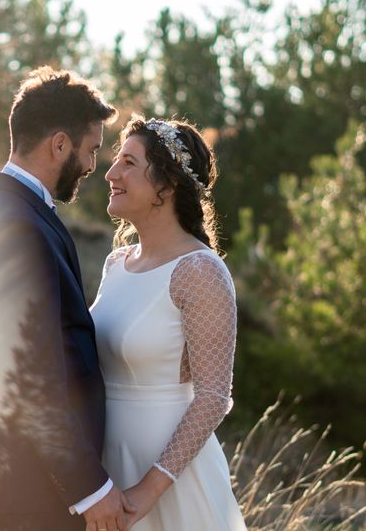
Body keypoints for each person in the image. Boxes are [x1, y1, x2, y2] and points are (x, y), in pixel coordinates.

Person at [0, 66, 135, 531]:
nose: (93, 167)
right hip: (42, 493)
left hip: (32, 484)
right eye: (91, 151)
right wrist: (89, 487)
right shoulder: (15, 222)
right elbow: (30, 373)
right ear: (59, 144)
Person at [90, 116, 248, 530]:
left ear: (168, 183)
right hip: (107, 471)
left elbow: (213, 395)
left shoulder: (199, 271)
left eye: (128, 162)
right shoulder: (116, 264)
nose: (110, 173)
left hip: (169, 482)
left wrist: (148, 490)